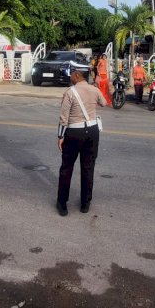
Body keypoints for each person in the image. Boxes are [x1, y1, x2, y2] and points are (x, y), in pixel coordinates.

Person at [56, 69, 107, 216]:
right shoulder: (94, 89)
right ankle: (85, 203)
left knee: (67, 168)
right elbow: (103, 103)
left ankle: (62, 204)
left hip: (74, 133)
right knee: (88, 167)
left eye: (71, 74)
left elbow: (63, 117)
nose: (70, 76)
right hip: (92, 132)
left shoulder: (70, 92)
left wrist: (60, 136)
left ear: (78, 75)